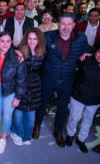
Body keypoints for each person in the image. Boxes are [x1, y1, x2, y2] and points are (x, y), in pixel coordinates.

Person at [32, 13, 91, 147]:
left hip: (67, 79)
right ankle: (37, 126)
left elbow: (89, 49)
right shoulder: (48, 36)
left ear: (74, 25)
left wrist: (88, 53)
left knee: (63, 107)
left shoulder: (81, 38)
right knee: (42, 103)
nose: (66, 27)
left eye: (69, 24)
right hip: (48, 77)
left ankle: (58, 131)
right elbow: (37, 52)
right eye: (63, 23)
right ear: (58, 24)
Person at [0, 31, 27, 154]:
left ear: (12, 43)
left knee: (7, 116)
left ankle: (3, 138)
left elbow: (21, 80)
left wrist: (18, 97)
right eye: (2, 41)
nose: (5, 44)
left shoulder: (17, 58)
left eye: (8, 41)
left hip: (10, 90)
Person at [65, 45, 100, 153]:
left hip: (94, 100)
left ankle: (81, 139)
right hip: (78, 96)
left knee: (88, 121)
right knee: (74, 118)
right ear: (95, 52)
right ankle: (70, 135)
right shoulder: (85, 59)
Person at [10, 27, 46, 146]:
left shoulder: (43, 51)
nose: (32, 42)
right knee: (18, 115)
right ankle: (17, 133)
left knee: (30, 117)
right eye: (29, 39)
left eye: (35, 39)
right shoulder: (20, 50)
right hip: (21, 85)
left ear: (39, 40)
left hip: (36, 87)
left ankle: (27, 136)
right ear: (26, 39)